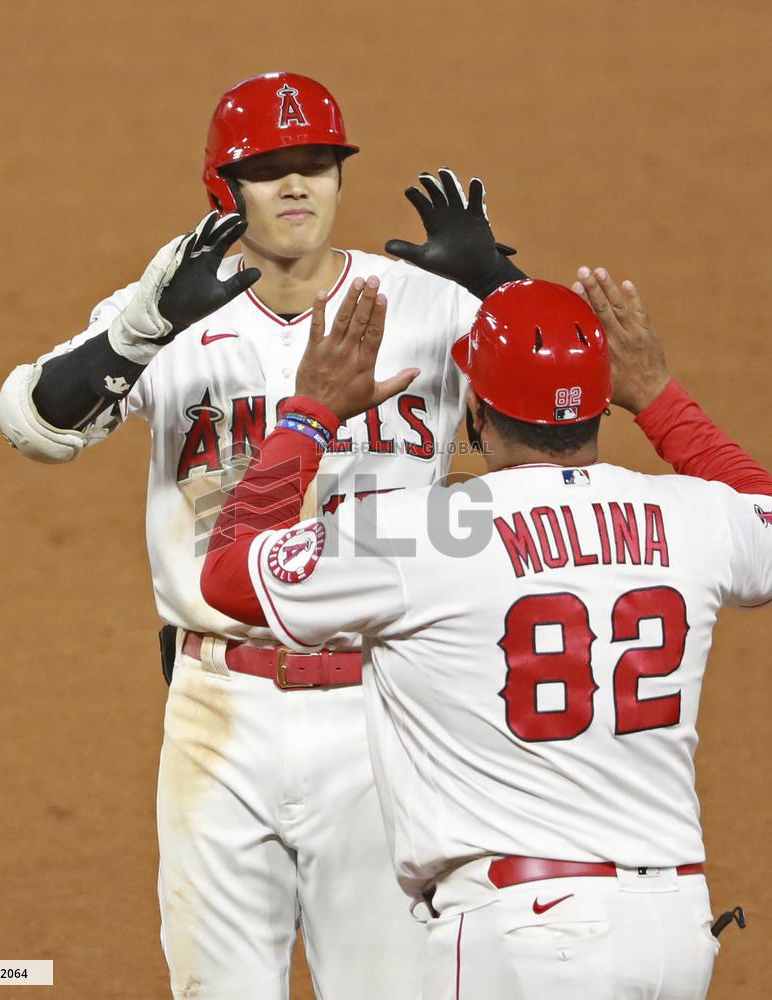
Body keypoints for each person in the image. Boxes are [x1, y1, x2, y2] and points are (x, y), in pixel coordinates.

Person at [0, 71, 524, 999]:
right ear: (223, 187)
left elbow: (580, 399)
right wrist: (139, 328)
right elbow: (34, 426)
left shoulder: (429, 303)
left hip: (386, 711)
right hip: (217, 712)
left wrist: (501, 287)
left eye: (315, 163)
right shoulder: (170, 313)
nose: (296, 186)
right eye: (268, 168)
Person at [201, 268, 772, 999]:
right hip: (675, 931)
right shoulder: (693, 515)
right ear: (604, 405)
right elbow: (755, 504)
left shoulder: (429, 528)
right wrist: (660, 398)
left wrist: (308, 415)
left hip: (528, 938)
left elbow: (228, 575)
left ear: (475, 410)